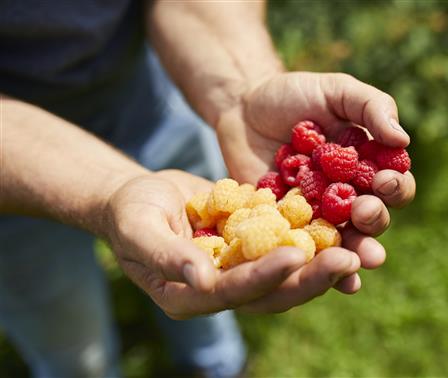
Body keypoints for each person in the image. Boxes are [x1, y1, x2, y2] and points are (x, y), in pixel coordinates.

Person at [0, 1, 416, 377]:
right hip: (12, 162)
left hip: (142, 93)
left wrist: (240, 93)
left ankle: (217, 366)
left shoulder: (262, 205)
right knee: (69, 340)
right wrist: (111, 191)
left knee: (202, 283)